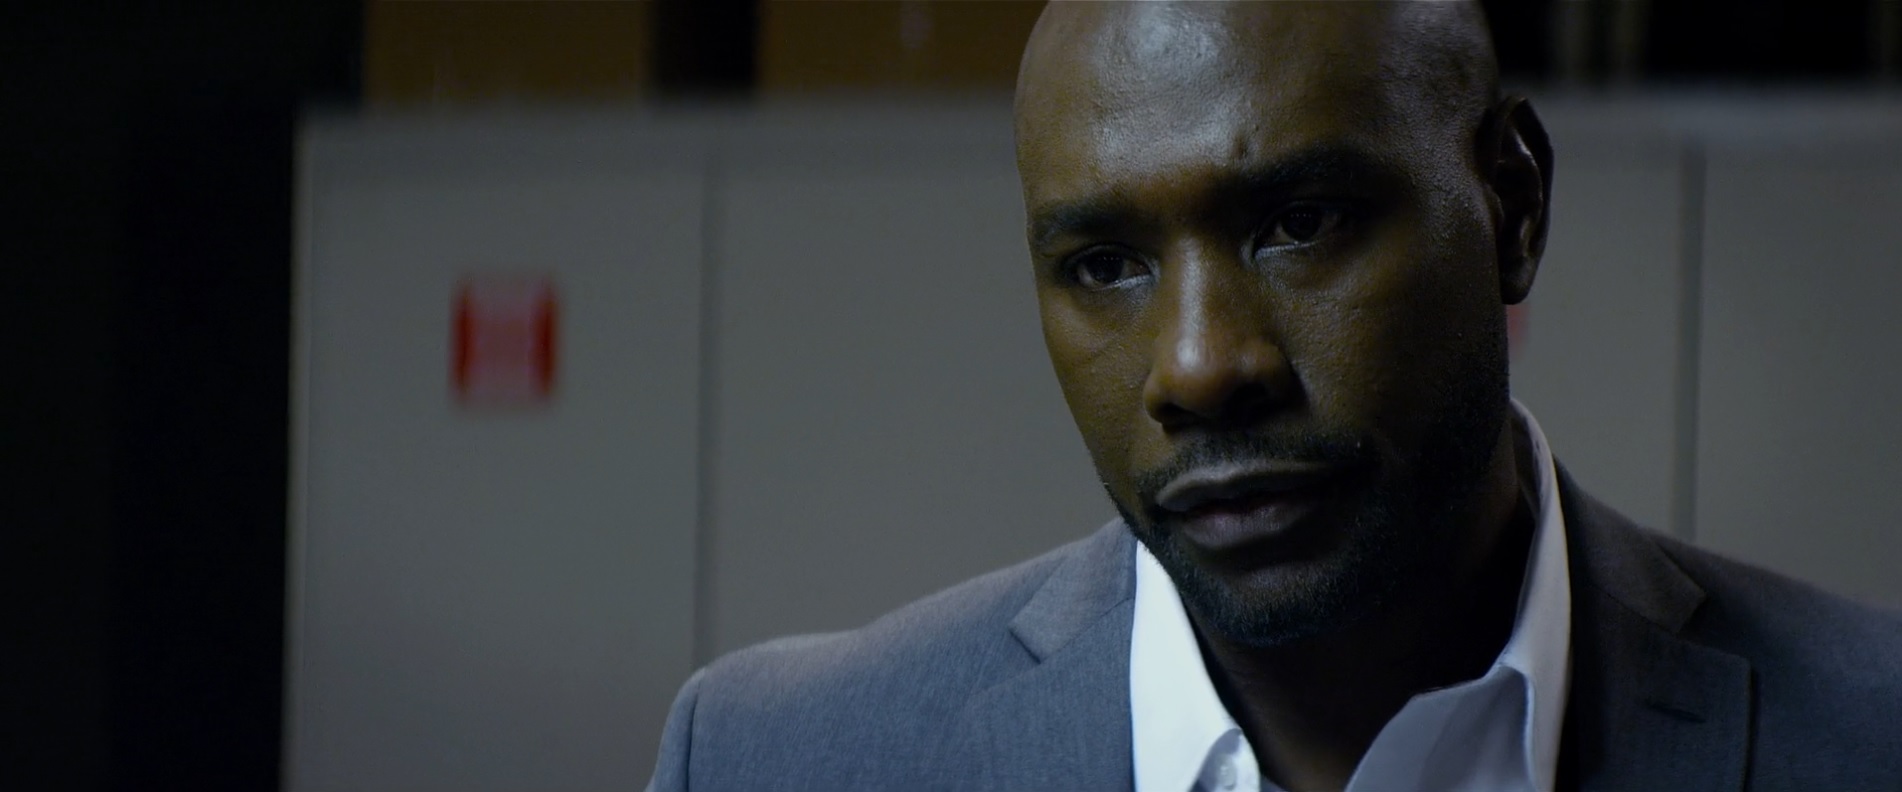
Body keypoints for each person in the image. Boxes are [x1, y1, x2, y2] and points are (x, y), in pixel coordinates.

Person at [647, 3, 1902, 790]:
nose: (1199, 367)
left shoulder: (1869, 732)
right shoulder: (775, 762)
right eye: (1105, 266)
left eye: (1301, 224)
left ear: (1513, 206)